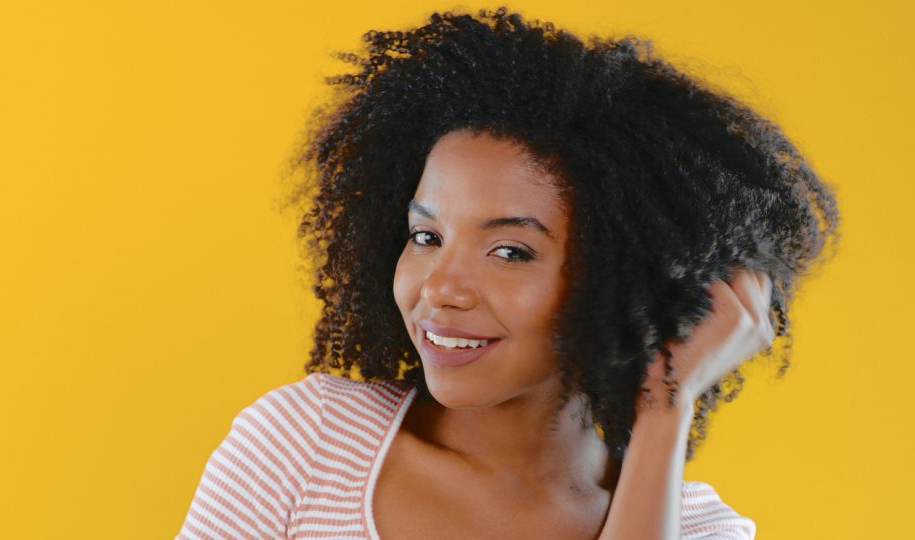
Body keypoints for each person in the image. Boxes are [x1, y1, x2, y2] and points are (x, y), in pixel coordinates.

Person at [176, 7, 838, 539]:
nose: (440, 288)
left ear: (624, 281)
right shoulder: (306, 443)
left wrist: (665, 407)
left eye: (510, 252)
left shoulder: (693, 527)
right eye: (427, 237)